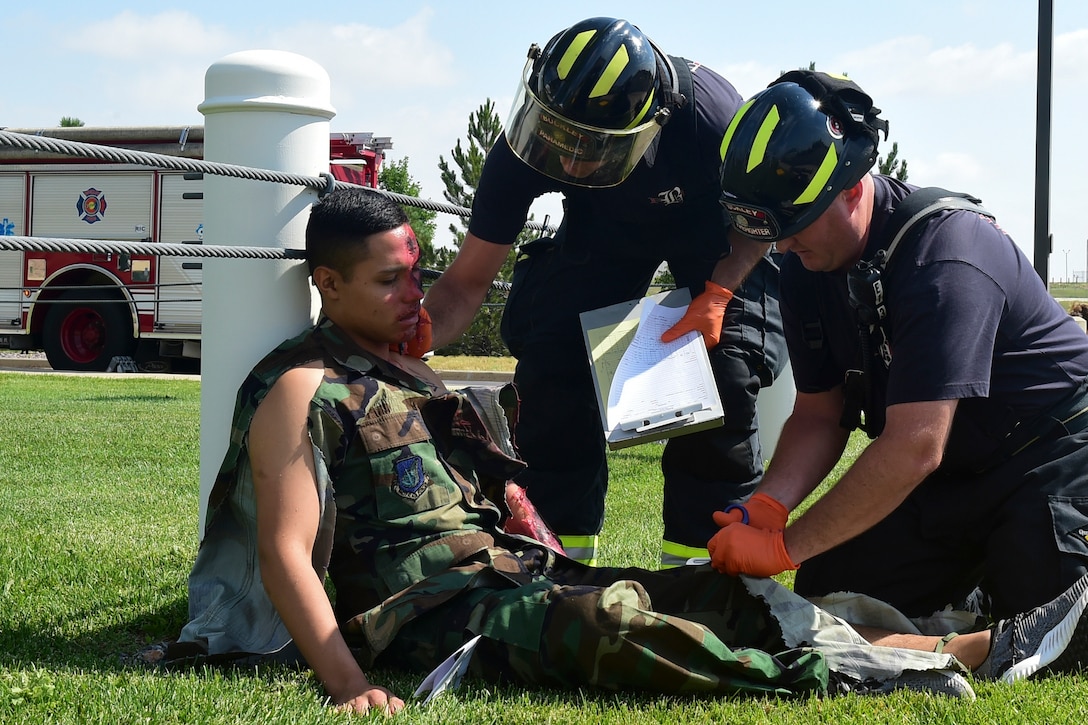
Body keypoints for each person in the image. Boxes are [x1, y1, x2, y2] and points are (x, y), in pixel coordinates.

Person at [167, 186, 1088, 715]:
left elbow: (499, 496)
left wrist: (558, 555)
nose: (420, 293)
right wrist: (349, 684)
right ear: (326, 283)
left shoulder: (413, 373)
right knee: (619, 628)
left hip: (513, 572)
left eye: (418, 271)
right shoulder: (301, 385)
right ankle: (953, 654)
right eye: (390, 280)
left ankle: (925, 634)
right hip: (435, 612)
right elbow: (287, 549)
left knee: (716, 590)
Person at [709, 70, 1088, 624]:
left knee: (1048, 613)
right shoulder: (805, 266)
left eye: (795, 224)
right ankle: (977, 581)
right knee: (827, 591)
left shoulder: (946, 257)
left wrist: (786, 549)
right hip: (954, 472)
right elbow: (820, 412)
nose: (783, 245)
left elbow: (915, 446)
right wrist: (770, 505)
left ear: (852, 188)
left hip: (1052, 452)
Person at [418, 17, 787, 567]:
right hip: (606, 225)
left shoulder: (713, 120)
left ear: (650, 125)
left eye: (587, 149)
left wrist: (717, 293)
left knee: (724, 369)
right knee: (553, 357)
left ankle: (702, 572)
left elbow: (761, 221)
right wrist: (415, 333)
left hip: (719, 233)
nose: (565, 163)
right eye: (556, 141)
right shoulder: (529, 145)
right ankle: (558, 560)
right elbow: (468, 281)